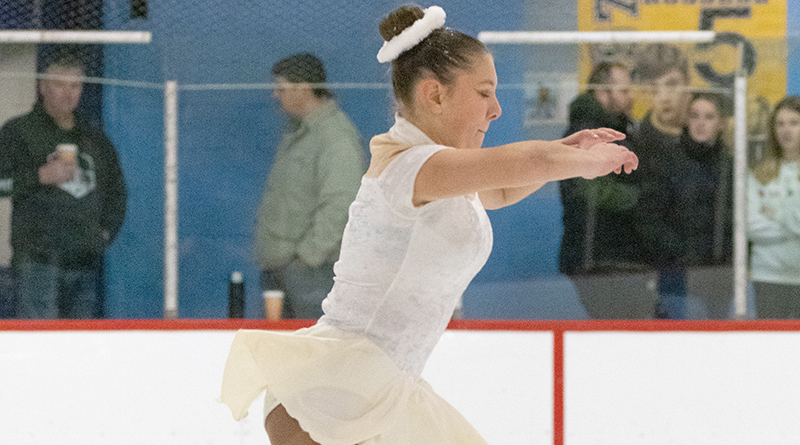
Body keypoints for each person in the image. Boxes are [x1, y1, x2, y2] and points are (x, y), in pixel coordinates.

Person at [220, 5, 637, 445]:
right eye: (484, 93)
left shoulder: (440, 171)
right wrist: (585, 162)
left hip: (377, 392)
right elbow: (526, 161)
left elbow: (500, 189)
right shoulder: (411, 166)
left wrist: (566, 152)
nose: (496, 109)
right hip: (336, 394)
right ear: (434, 95)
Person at [0, 50, 126, 320]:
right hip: (37, 262)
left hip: (84, 261)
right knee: (39, 341)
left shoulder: (94, 137)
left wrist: (104, 234)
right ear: (42, 87)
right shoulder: (18, 132)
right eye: (59, 85)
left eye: (75, 86)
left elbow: (117, 191)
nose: (68, 94)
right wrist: (39, 176)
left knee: (80, 343)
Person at [254, 53, 365, 319]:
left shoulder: (335, 137)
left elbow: (342, 204)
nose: (275, 95)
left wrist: (306, 258)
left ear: (303, 88)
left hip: (313, 274)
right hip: (290, 271)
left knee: (311, 340)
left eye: (281, 88)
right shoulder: (301, 134)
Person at [558, 61, 655, 319]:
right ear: (601, 93)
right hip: (598, 255)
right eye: (623, 90)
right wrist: (643, 198)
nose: (630, 97)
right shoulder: (587, 133)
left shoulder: (620, 129)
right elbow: (593, 189)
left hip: (618, 253)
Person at [637, 92, 734, 319]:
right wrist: (678, 252)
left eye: (709, 117)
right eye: (694, 115)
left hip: (718, 275)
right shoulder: (667, 160)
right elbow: (647, 216)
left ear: (721, 123)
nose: (700, 123)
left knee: (714, 338)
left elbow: (735, 220)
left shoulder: (729, 165)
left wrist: (727, 256)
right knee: (675, 336)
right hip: (676, 275)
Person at [747, 96, 800, 318]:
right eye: (780, 124)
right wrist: (793, 222)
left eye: (794, 123)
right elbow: (751, 226)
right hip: (767, 276)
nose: (786, 130)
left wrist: (774, 214)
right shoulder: (759, 173)